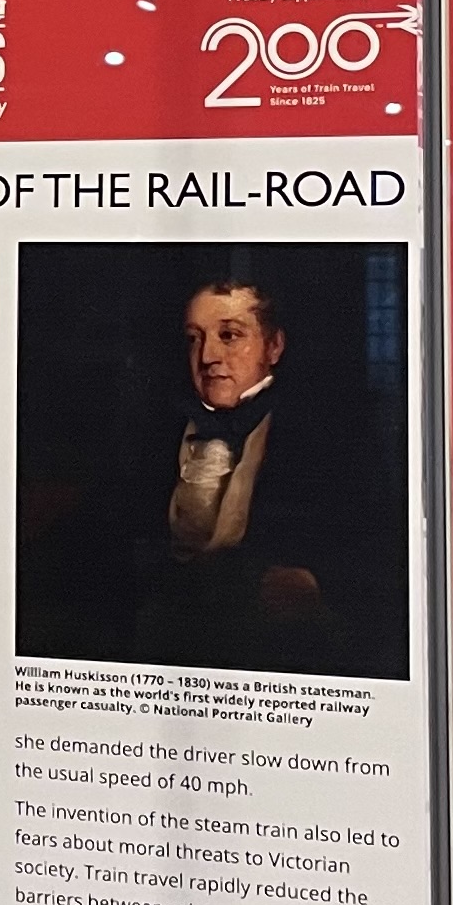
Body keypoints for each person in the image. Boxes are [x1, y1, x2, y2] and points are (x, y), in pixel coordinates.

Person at [132, 272, 395, 676]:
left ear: (273, 346)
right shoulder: (156, 431)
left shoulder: (322, 437)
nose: (207, 357)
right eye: (194, 338)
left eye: (230, 336)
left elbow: (374, 554)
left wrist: (312, 584)